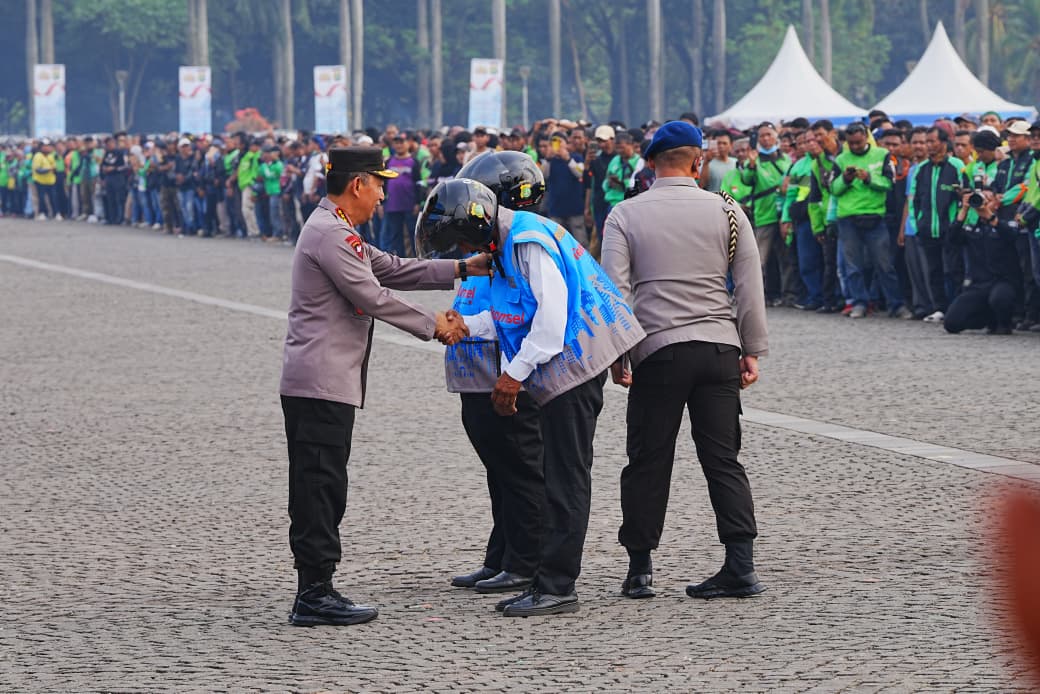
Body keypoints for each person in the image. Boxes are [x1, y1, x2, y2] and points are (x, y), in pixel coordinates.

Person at [279, 147, 489, 627]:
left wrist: (462, 268)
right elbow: (372, 295)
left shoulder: (338, 230)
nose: (381, 196)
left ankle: (317, 585)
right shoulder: (331, 234)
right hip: (319, 383)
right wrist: (435, 324)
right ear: (357, 184)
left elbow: (392, 268)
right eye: (378, 185)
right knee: (319, 486)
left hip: (326, 381)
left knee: (326, 483)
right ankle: (313, 592)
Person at [416, 178, 645, 617]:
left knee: (565, 478)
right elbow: (515, 313)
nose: (465, 251)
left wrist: (512, 375)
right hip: (561, 362)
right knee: (557, 475)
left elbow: (550, 322)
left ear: (476, 225)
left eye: (463, 241)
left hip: (575, 362)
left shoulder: (527, 242)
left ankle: (558, 585)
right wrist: (468, 325)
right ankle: (546, 579)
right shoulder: (507, 241)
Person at [600, 120, 768, 601]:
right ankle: (740, 564)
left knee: (648, 459)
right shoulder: (728, 210)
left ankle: (640, 569)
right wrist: (751, 349)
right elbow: (748, 287)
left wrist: (618, 352)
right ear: (699, 161)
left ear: (650, 163)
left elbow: (615, 291)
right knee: (723, 459)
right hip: (718, 348)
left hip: (659, 350)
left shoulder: (625, 214)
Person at [444, 151, 548, 597]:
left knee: (520, 472)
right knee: (499, 473)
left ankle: (525, 561)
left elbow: (527, 313)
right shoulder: (489, 245)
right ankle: (500, 556)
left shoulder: (520, 243)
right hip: (475, 372)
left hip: (504, 372)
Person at [832, 122, 911, 319]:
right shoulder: (841, 159)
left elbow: (888, 183)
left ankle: (896, 304)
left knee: (884, 264)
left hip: (875, 216)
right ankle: (859, 302)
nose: (855, 146)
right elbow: (833, 188)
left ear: (866, 138)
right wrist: (846, 179)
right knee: (853, 266)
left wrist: (868, 179)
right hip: (848, 217)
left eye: (858, 142)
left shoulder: (882, 155)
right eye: (851, 143)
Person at [943, 189, 1020, 334]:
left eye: (988, 199)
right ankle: (986, 318)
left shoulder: (1007, 222)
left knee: (999, 298)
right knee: (951, 323)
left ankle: (1004, 323)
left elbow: (1011, 235)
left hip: (1003, 281)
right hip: (979, 284)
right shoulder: (972, 226)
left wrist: (989, 216)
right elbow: (952, 239)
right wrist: (964, 210)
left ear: (996, 203)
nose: (983, 203)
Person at [741, 122, 794, 306]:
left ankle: (788, 295)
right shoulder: (753, 159)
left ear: (776, 136)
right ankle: (757, 296)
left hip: (784, 215)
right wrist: (751, 165)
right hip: (764, 215)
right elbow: (746, 180)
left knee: (786, 258)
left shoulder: (786, 159)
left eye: (769, 134)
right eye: (762, 135)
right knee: (759, 259)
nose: (765, 139)